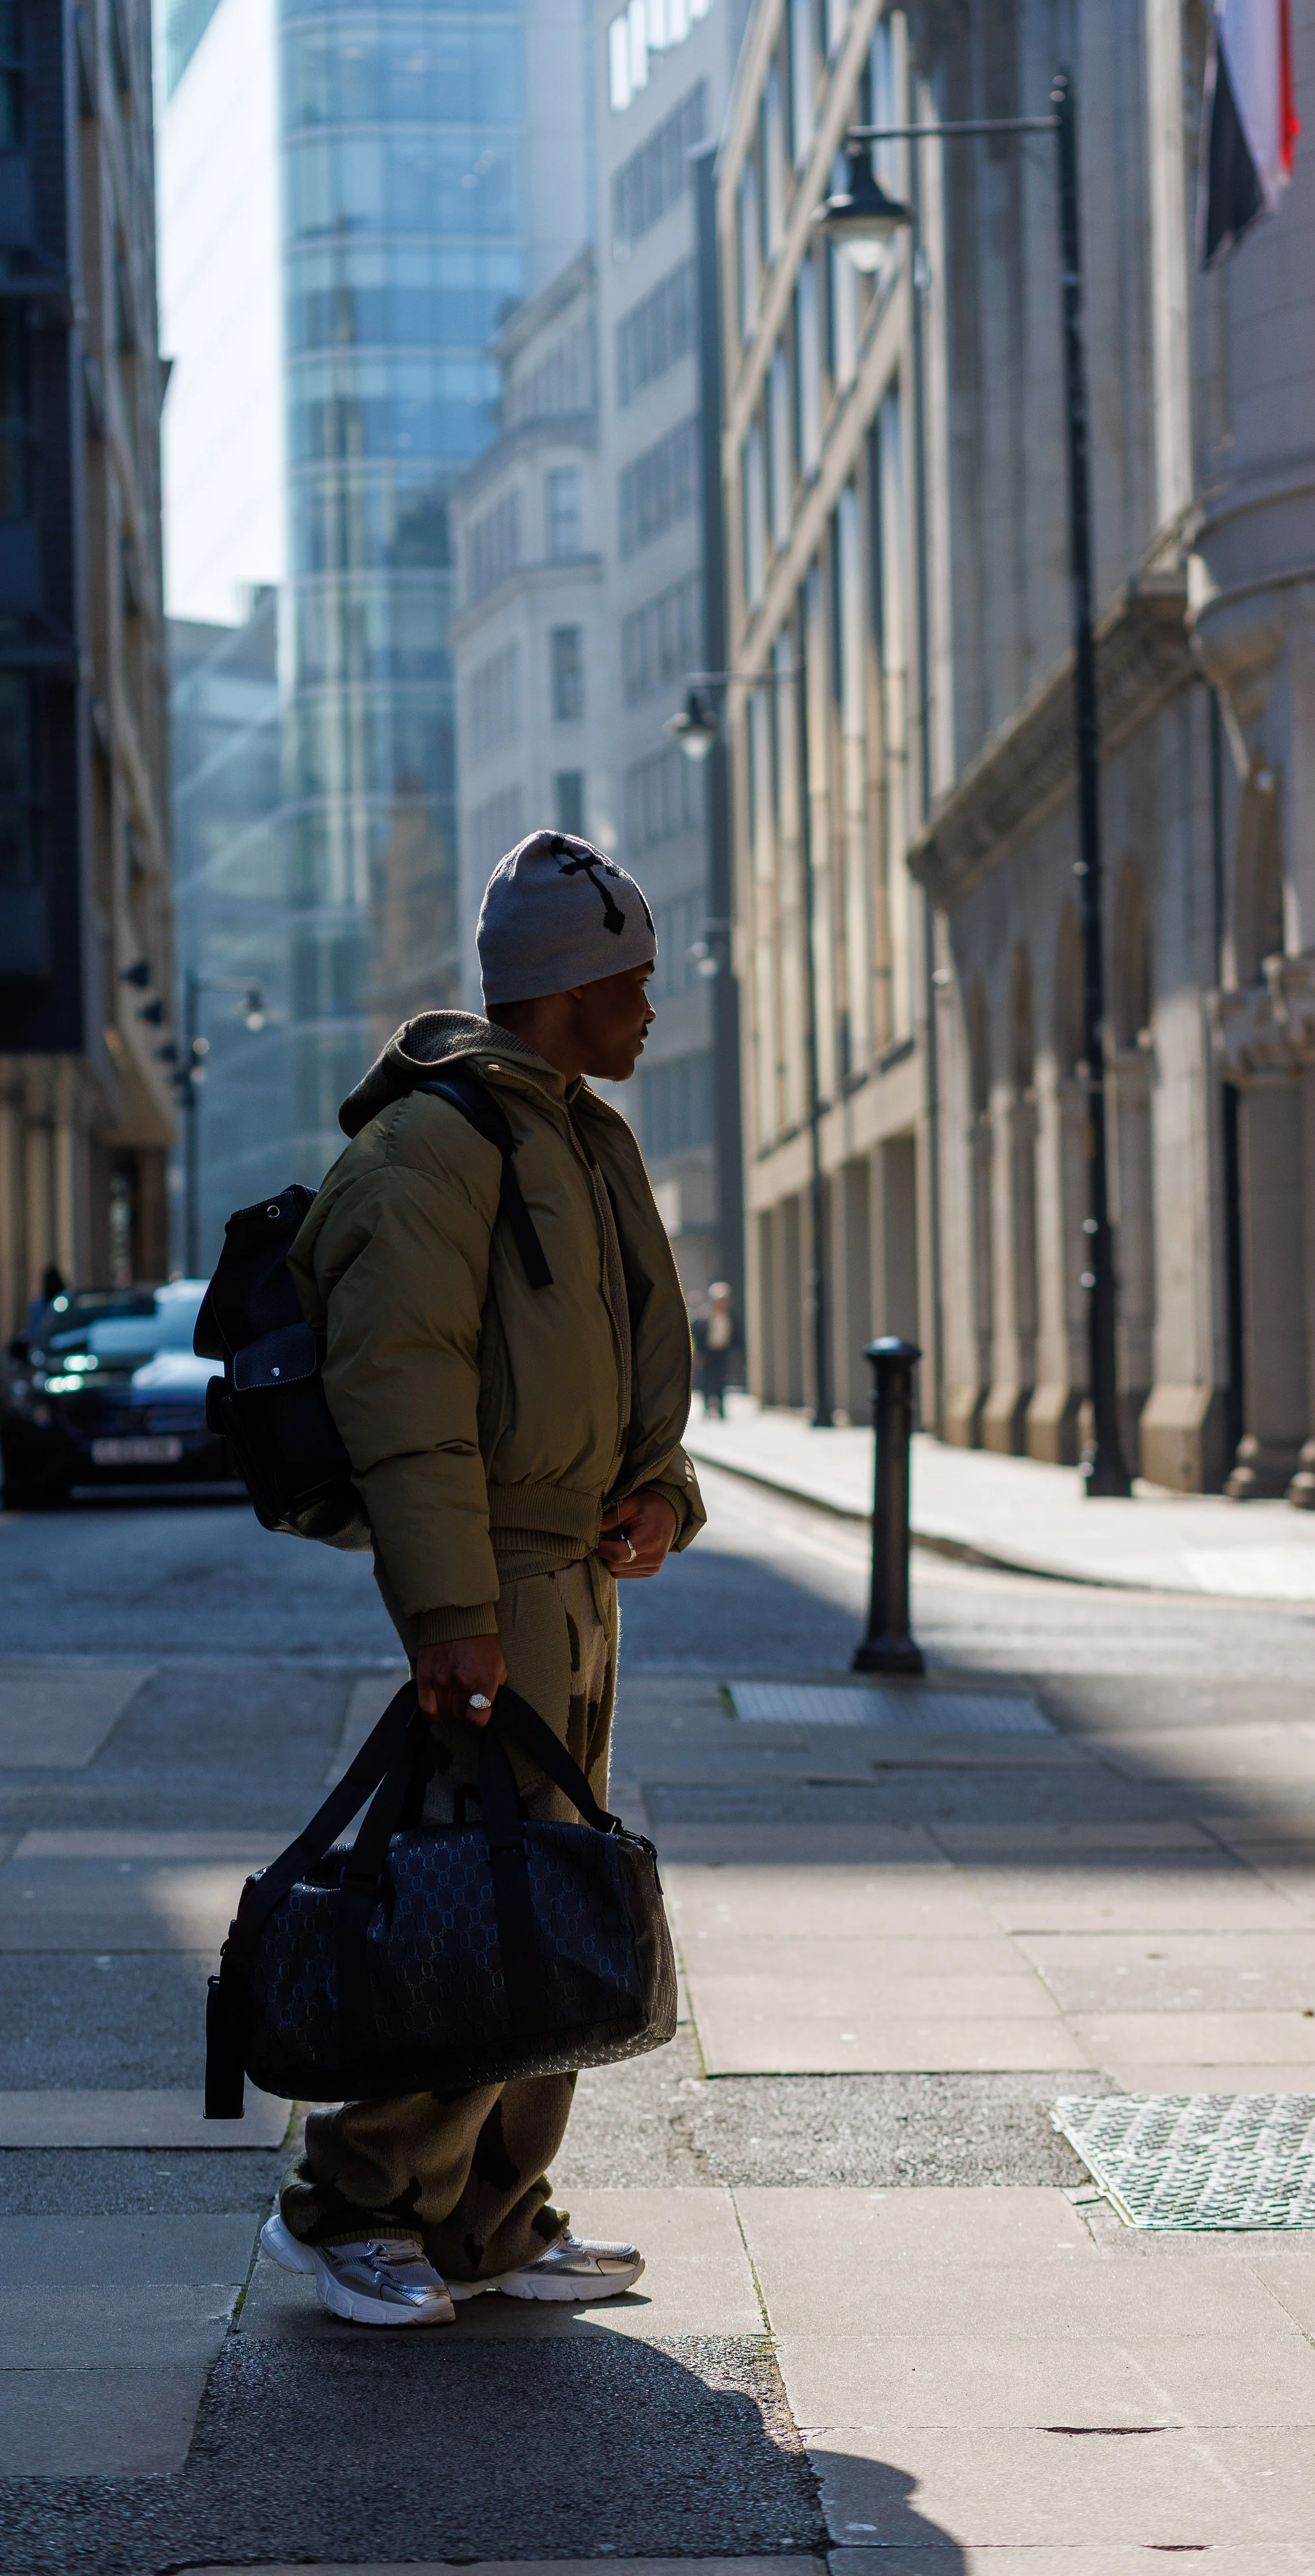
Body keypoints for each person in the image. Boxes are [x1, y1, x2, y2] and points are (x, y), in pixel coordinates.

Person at [258, 828, 705, 2328]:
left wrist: (662, 1490)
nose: (653, 1004)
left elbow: (637, 1347)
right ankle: (349, 2204)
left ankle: (490, 2217)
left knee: (545, 1891)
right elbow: (404, 1390)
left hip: (577, 1569)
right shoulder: (428, 1150)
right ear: (567, 985)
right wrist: (449, 1609)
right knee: (466, 1898)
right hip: (499, 1581)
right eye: (633, 979)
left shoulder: (585, 1137)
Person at [693, 1279, 736, 1418]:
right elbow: (698, 1334)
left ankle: (721, 1407)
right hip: (709, 1353)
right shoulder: (705, 1317)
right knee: (707, 1380)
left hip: (723, 1352)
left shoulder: (731, 1317)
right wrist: (699, 1352)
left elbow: (736, 1335)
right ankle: (707, 1406)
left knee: (721, 1380)